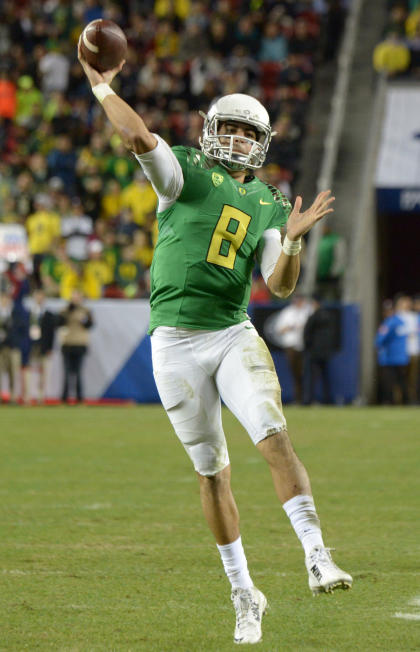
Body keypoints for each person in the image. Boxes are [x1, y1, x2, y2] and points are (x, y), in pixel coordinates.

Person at [78, 43, 352, 645]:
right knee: (211, 474)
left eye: (242, 129)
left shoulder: (268, 203)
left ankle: (315, 554)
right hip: (173, 342)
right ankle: (243, 592)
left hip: (231, 333)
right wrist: (102, 88)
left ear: (261, 142)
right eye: (223, 126)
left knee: (273, 435)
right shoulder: (182, 173)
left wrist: (296, 241)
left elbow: (278, 286)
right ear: (208, 131)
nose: (230, 137)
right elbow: (137, 137)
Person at [58, 289, 94, 403]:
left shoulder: (86, 311)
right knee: (67, 372)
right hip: (67, 343)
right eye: (74, 297)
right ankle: (64, 397)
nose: (76, 299)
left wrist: (83, 319)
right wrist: (69, 311)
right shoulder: (65, 310)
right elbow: (59, 322)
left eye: (78, 297)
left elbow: (90, 325)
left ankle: (79, 397)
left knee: (78, 373)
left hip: (80, 343)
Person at [302, 296, 339, 405]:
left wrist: (307, 347)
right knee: (326, 377)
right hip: (325, 352)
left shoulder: (313, 317)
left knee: (310, 377)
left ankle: (308, 400)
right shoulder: (329, 316)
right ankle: (327, 399)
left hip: (314, 351)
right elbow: (334, 335)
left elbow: (307, 334)